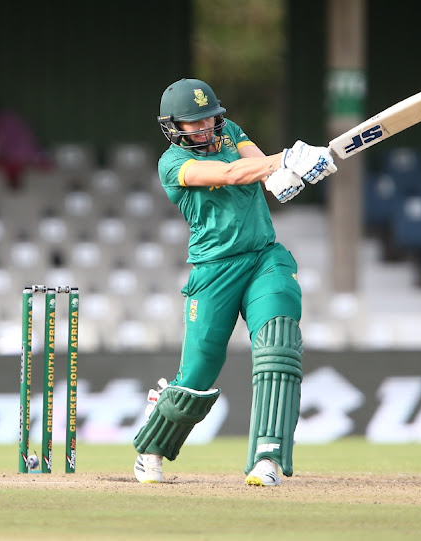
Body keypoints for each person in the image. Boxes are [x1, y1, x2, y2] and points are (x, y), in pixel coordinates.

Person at [131, 78, 336, 486]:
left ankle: (268, 458)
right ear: (174, 126)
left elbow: (261, 170)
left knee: (279, 343)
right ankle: (152, 443)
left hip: (263, 257)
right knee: (197, 377)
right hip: (213, 271)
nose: (206, 127)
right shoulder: (171, 164)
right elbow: (229, 173)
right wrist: (287, 158)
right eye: (194, 122)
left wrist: (291, 174)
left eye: (210, 118)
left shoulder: (231, 132)